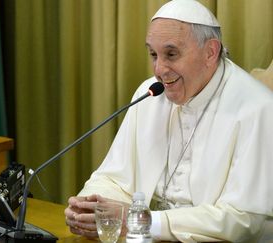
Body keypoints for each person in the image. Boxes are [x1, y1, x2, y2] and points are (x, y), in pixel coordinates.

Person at [64, 0, 273, 242]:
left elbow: (242, 221)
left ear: (210, 52)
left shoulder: (258, 108)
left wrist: (143, 221)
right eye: (153, 54)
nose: (159, 69)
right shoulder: (151, 93)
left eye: (171, 54)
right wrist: (90, 207)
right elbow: (114, 177)